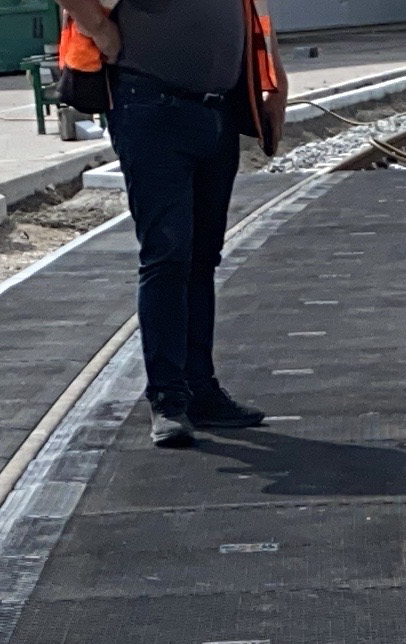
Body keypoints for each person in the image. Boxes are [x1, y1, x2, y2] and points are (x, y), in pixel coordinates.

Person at [58, 0, 283, 447]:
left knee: (202, 257)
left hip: (216, 112)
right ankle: (168, 399)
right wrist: (100, 30)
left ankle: (201, 390)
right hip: (152, 107)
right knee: (168, 255)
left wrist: (276, 85)